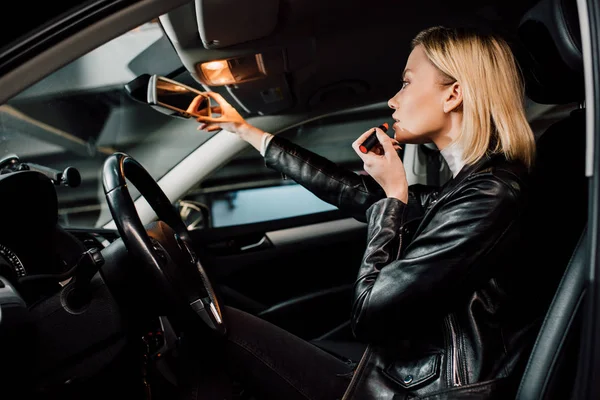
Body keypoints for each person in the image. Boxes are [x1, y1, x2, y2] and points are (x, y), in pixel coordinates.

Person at [187, 26, 537, 400]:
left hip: (430, 392)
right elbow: (353, 193)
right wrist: (243, 130)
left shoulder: (490, 194)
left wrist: (395, 195)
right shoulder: (472, 185)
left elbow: (370, 314)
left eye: (406, 83)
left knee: (215, 328)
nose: (392, 100)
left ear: (453, 95)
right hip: (413, 371)